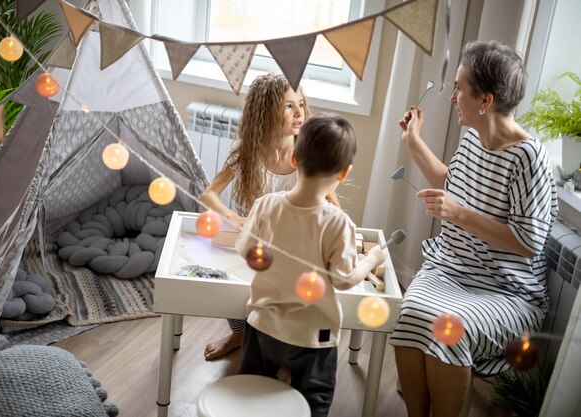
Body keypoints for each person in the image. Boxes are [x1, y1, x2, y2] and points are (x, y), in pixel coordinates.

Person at [389, 40, 558, 417]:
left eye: (460, 88)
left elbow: (528, 244)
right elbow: (453, 184)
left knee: (448, 330)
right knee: (411, 312)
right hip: (451, 269)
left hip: (507, 291)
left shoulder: (528, 157)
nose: (453, 98)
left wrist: (460, 214)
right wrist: (412, 141)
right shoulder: (472, 138)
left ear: (485, 100)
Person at [235, 113, 387, 417]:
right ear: (344, 173)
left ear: (294, 158)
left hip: (262, 326)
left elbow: (245, 251)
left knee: (251, 394)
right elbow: (344, 280)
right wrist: (371, 259)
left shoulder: (266, 205)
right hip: (312, 337)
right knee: (313, 402)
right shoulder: (338, 222)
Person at [201, 73, 339, 360]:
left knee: (290, 297)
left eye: (301, 103)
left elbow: (334, 208)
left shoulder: (309, 154)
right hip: (256, 241)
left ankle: (284, 348)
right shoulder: (246, 151)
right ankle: (239, 333)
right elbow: (209, 194)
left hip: (296, 245)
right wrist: (235, 219)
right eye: (289, 106)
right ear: (265, 112)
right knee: (232, 287)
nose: (300, 112)